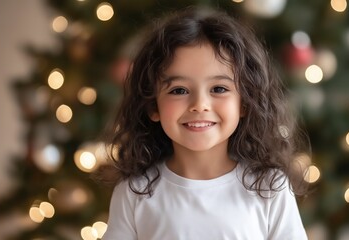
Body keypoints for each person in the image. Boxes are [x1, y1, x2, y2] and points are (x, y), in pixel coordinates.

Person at [99, 6, 309, 240]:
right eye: (179, 90)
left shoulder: (270, 187)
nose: (200, 104)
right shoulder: (134, 191)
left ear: (245, 103)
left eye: (219, 89)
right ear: (152, 105)